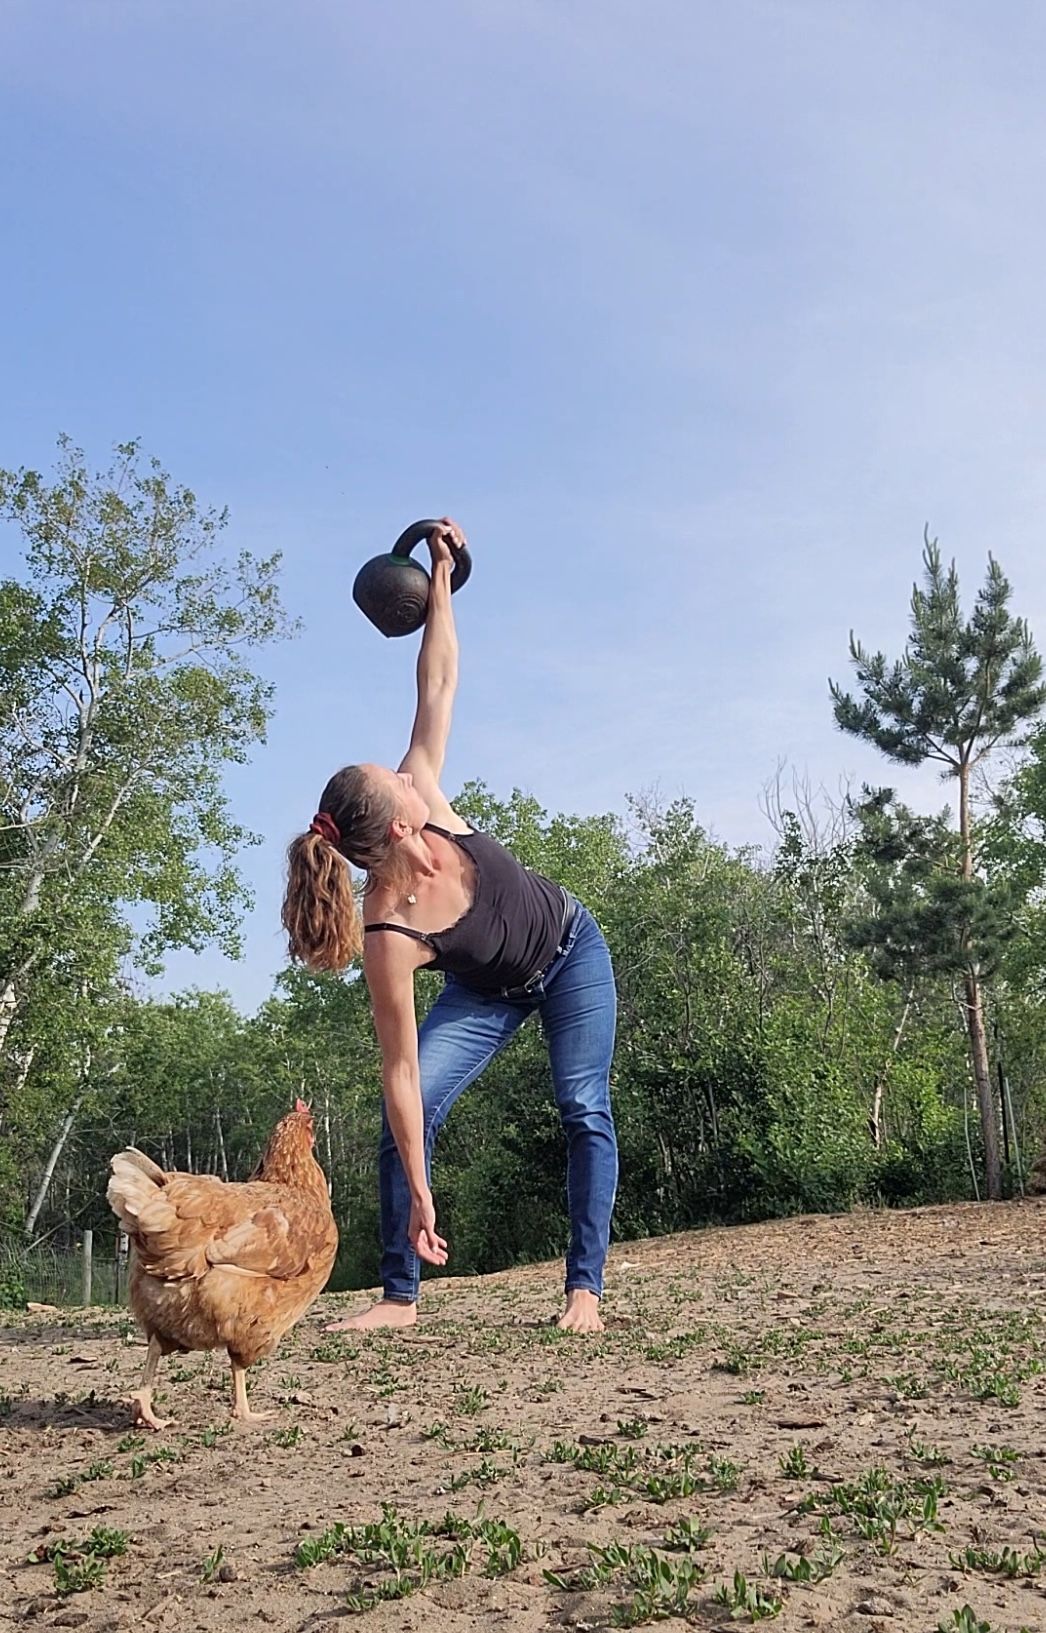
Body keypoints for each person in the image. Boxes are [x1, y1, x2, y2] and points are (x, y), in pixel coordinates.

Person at [281, 520, 618, 1333]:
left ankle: (585, 1289)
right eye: (388, 779)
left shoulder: (422, 793)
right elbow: (399, 1072)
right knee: (407, 1113)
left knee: (581, 1106)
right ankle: (400, 1295)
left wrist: (439, 574)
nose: (402, 770)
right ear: (393, 828)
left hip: (572, 951)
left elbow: (438, 681)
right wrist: (424, 1192)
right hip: (490, 992)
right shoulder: (386, 930)